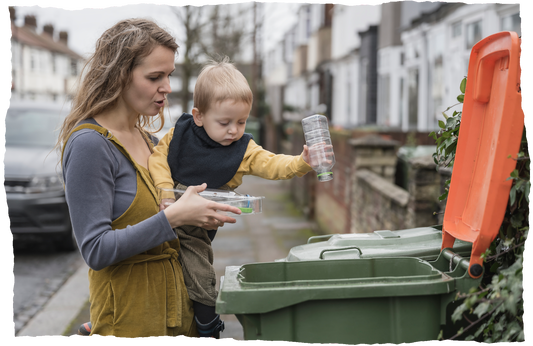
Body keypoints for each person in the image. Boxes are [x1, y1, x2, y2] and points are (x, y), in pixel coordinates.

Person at [56, 19, 241, 340]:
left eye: (169, 75)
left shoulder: (152, 143)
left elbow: (173, 239)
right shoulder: (90, 145)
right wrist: (174, 216)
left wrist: (201, 221)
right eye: (154, 77)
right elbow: (96, 250)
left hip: (180, 321)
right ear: (118, 76)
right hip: (131, 325)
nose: (167, 87)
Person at [148, 56, 314, 341]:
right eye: (224, 122)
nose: (234, 130)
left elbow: (272, 164)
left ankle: (208, 327)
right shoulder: (179, 134)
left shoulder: (243, 149)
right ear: (198, 116)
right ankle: (103, 324)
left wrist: (301, 162)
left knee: (200, 276)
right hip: (164, 210)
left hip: (194, 228)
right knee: (147, 269)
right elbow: (157, 160)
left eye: (242, 121)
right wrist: (165, 192)